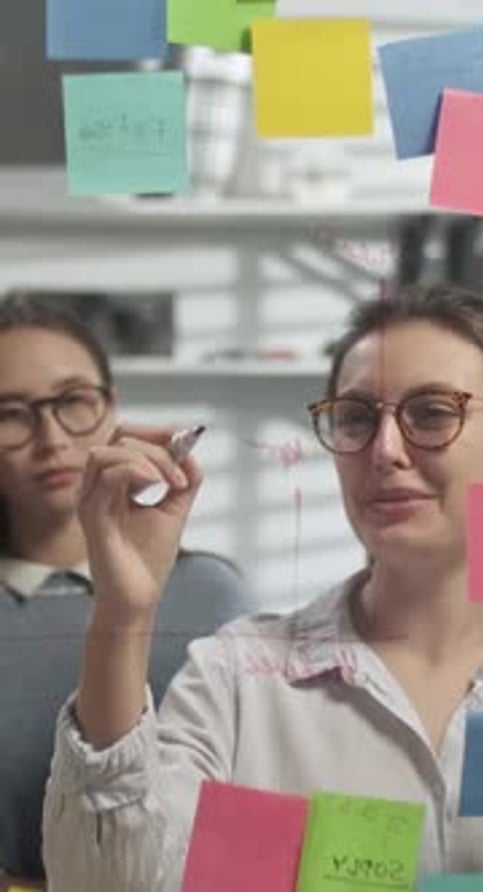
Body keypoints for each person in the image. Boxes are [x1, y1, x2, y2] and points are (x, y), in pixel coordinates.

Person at [43, 283, 483, 890]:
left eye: (434, 413)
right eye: (357, 417)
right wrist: (124, 612)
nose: (385, 450)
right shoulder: (241, 682)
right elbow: (104, 883)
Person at [0, 291, 252, 887]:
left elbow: (246, 800)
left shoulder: (210, 595)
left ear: (110, 406)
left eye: (74, 401)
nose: (52, 437)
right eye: (11, 413)